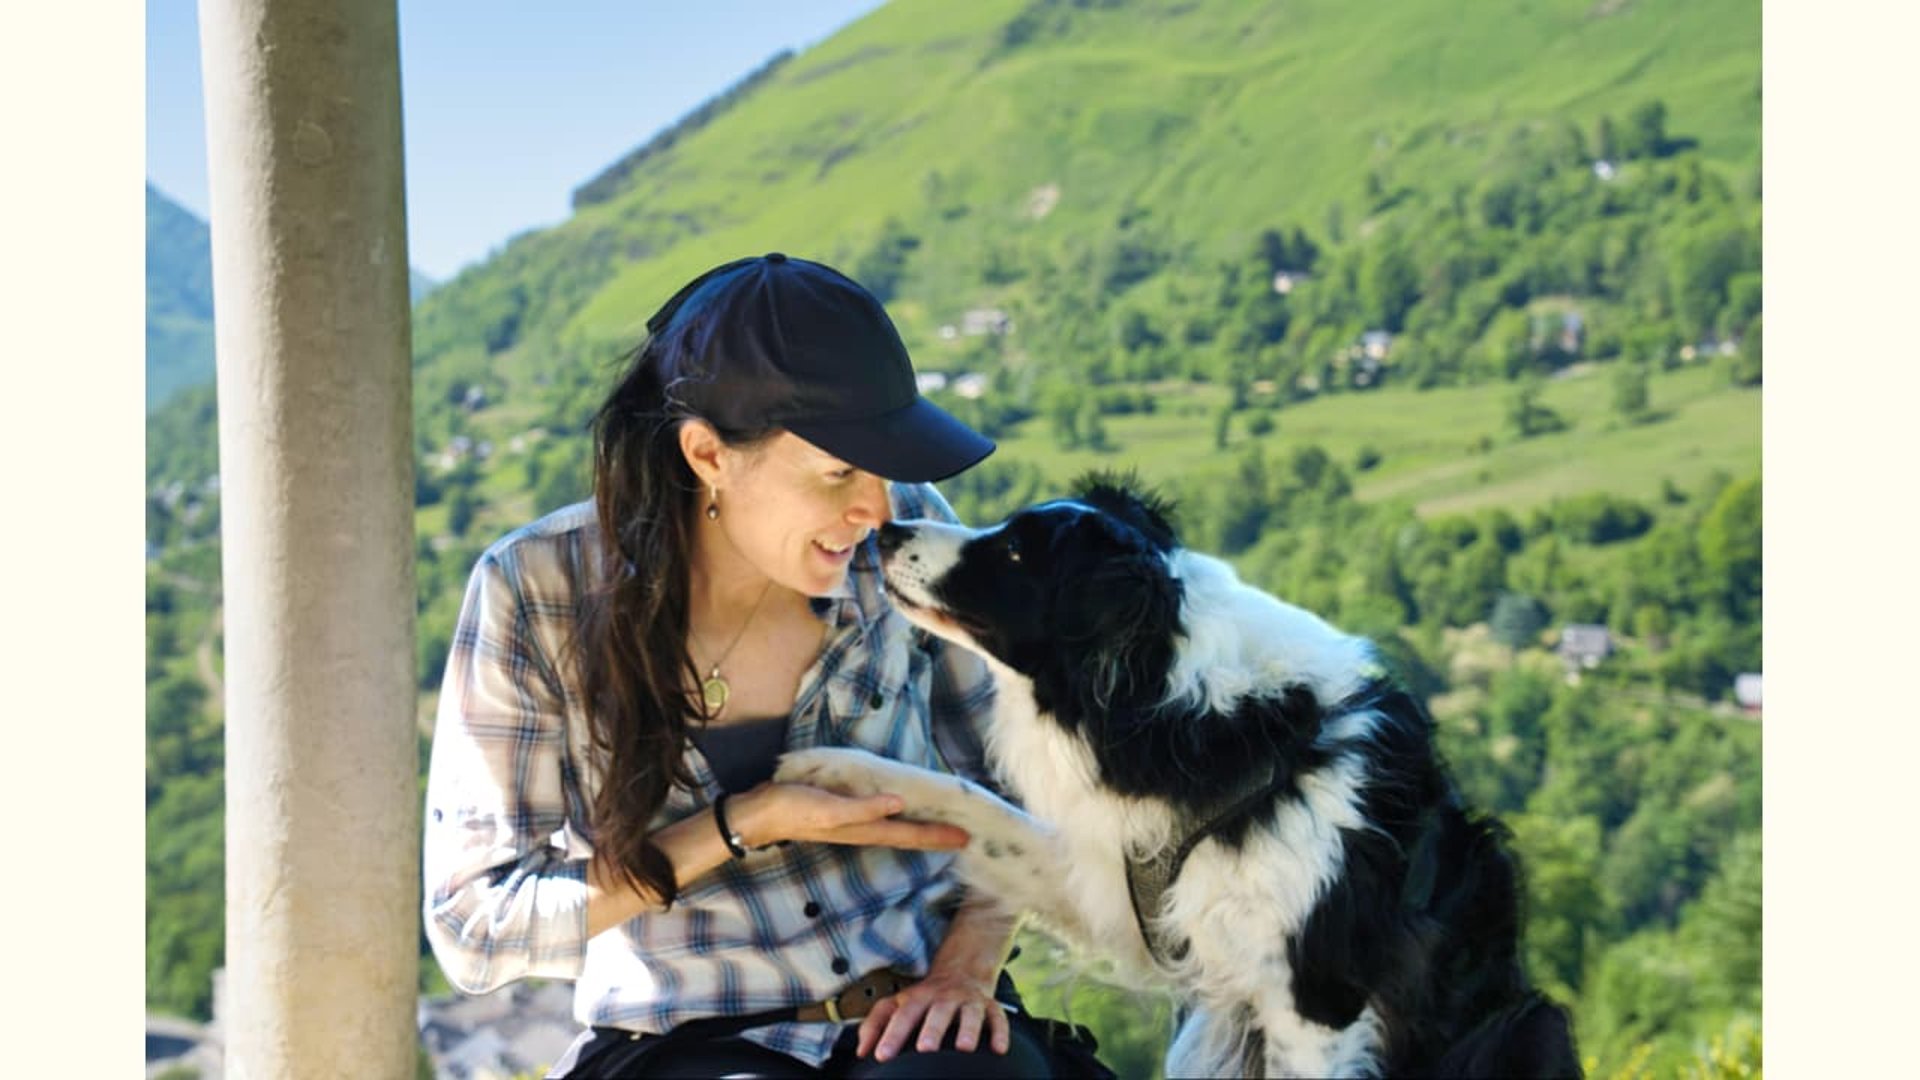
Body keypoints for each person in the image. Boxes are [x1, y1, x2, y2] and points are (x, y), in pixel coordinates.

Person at [423, 253, 1105, 1078]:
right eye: (838, 473)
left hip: (917, 1023)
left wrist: (967, 969)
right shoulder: (535, 590)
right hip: (686, 1041)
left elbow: (1023, 795)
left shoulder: (903, 539)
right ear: (709, 455)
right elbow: (476, 929)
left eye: (887, 471)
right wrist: (744, 824)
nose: (877, 511)